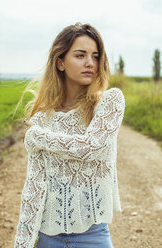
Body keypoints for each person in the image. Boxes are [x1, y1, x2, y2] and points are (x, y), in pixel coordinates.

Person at [14, 23, 125, 248]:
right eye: (80, 55)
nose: (90, 63)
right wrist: (22, 243)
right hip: (47, 237)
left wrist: (37, 137)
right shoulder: (42, 119)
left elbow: (91, 148)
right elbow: (34, 188)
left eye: (95, 56)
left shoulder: (110, 101)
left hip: (93, 237)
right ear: (60, 62)